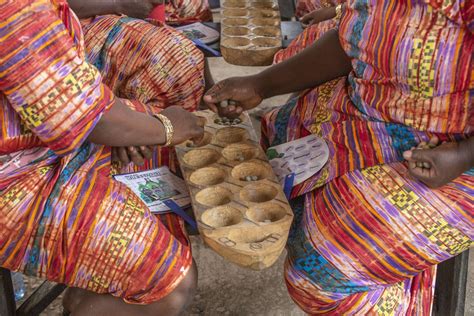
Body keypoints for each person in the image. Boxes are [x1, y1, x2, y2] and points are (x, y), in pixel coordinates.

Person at [204, 0, 473, 314]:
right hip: (362, 111)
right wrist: (261, 85)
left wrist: (461, 156)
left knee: (317, 276)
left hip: (443, 156)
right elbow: (352, 40)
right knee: (276, 149)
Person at [0, 0, 207, 315]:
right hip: (15, 176)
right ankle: (102, 292)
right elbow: (80, 118)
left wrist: (133, 127)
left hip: (37, 131)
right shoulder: (15, 12)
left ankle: (93, 283)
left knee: (175, 67)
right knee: (171, 283)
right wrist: (160, 127)